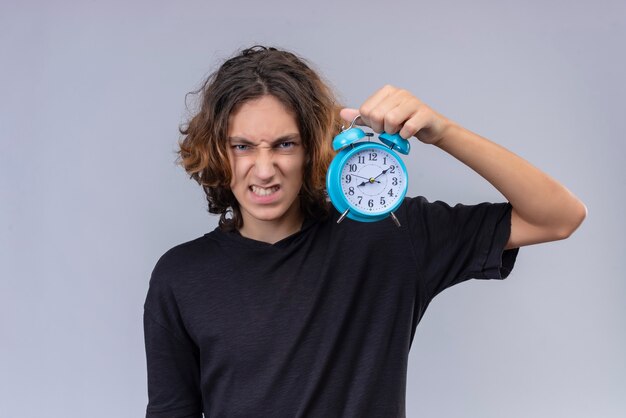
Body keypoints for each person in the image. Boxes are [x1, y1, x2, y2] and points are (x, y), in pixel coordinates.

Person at [143, 45, 586, 418]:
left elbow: (558, 216)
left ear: (313, 146)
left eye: (285, 144)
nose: (264, 169)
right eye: (243, 146)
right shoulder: (180, 277)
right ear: (218, 152)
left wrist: (443, 132)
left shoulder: (387, 235)